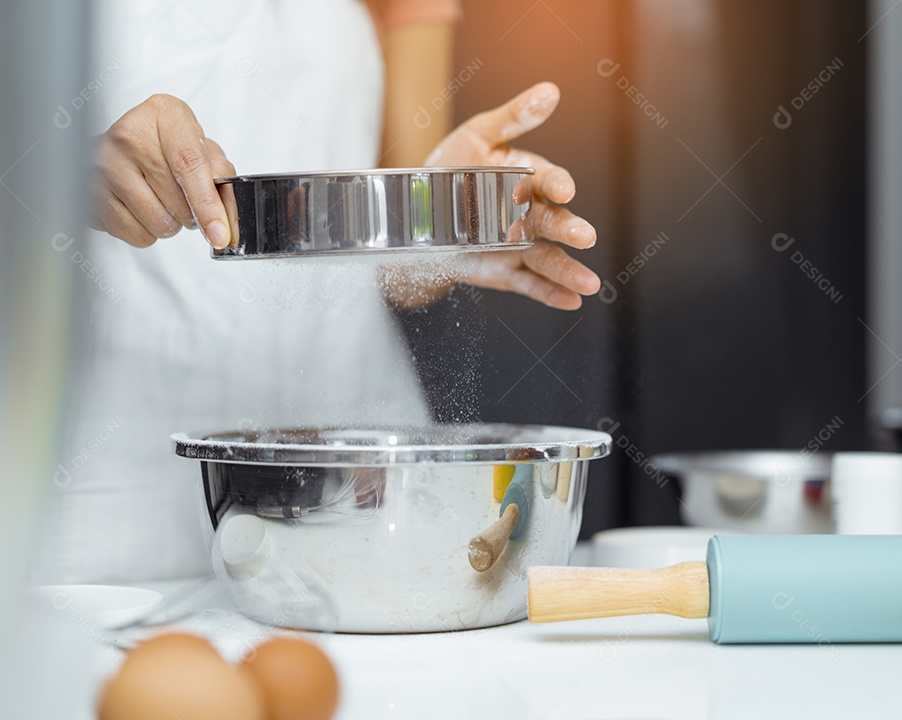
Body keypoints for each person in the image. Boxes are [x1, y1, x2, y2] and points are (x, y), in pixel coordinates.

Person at [37, 0, 600, 584]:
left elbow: (396, 266)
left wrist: (440, 219)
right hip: (106, 474)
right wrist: (65, 176)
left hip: (353, 474)